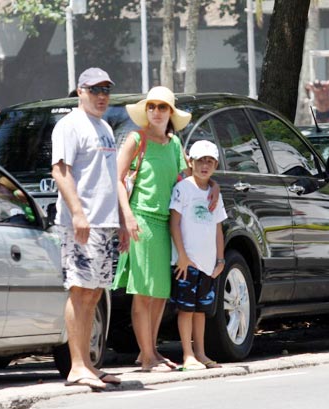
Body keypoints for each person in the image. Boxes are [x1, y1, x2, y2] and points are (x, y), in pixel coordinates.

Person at [113, 86, 218, 373]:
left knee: (160, 292)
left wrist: (215, 186)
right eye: (152, 107)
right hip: (143, 220)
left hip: (166, 224)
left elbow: (189, 176)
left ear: (170, 113)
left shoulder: (174, 144)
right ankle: (147, 357)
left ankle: (151, 351)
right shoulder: (136, 139)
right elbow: (118, 179)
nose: (156, 112)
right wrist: (128, 216)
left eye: (162, 107)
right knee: (143, 291)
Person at [51, 67, 125, 391]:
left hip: (106, 223)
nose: (101, 96)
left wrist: (122, 221)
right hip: (82, 223)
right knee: (79, 289)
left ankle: (90, 365)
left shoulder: (105, 127)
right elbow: (60, 171)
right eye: (95, 90)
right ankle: (76, 366)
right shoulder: (69, 125)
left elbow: (112, 179)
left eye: (106, 90)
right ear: (80, 91)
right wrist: (78, 213)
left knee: (95, 293)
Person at [170, 140, 227, 371]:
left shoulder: (214, 193)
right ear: (191, 162)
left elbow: (218, 228)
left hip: (208, 263)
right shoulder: (183, 189)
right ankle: (187, 354)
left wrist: (220, 260)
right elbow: (174, 223)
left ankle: (201, 353)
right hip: (187, 262)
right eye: (201, 160)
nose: (205, 166)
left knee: (201, 310)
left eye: (210, 161)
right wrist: (182, 256)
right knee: (186, 309)